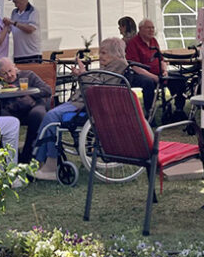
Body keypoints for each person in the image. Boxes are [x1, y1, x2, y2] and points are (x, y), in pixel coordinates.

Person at [32, 36, 133, 181]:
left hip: (87, 106)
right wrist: (83, 73)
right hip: (82, 103)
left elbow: (99, 88)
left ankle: (50, 165)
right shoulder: (110, 66)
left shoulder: (118, 65)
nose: (100, 56)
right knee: (49, 117)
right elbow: (96, 83)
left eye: (104, 53)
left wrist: (83, 74)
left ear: (115, 53)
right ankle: (41, 162)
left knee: (51, 117)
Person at [0, 57, 51, 163]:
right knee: (3, 116)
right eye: (4, 74)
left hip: (34, 106)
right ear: (0, 76)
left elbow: (47, 90)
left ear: (14, 67)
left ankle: (28, 154)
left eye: (10, 71)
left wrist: (30, 94)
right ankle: (11, 156)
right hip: (15, 110)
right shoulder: (1, 85)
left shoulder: (28, 75)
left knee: (37, 114)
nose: (9, 75)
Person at [125, 18, 166, 114]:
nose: (151, 30)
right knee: (148, 82)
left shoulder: (153, 41)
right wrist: (154, 77)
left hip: (156, 72)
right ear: (140, 29)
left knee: (178, 78)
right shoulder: (133, 43)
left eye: (153, 28)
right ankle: (149, 112)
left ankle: (178, 110)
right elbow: (134, 66)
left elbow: (161, 59)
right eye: (148, 28)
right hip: (138, 74)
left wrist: (165, 71)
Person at [7, 0, 42, 64]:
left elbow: (30, 29)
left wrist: (14, 23)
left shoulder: (33, 11)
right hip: (18, 55)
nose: (13, 1)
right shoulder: (14, 12)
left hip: (32, 54)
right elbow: (9, 29)